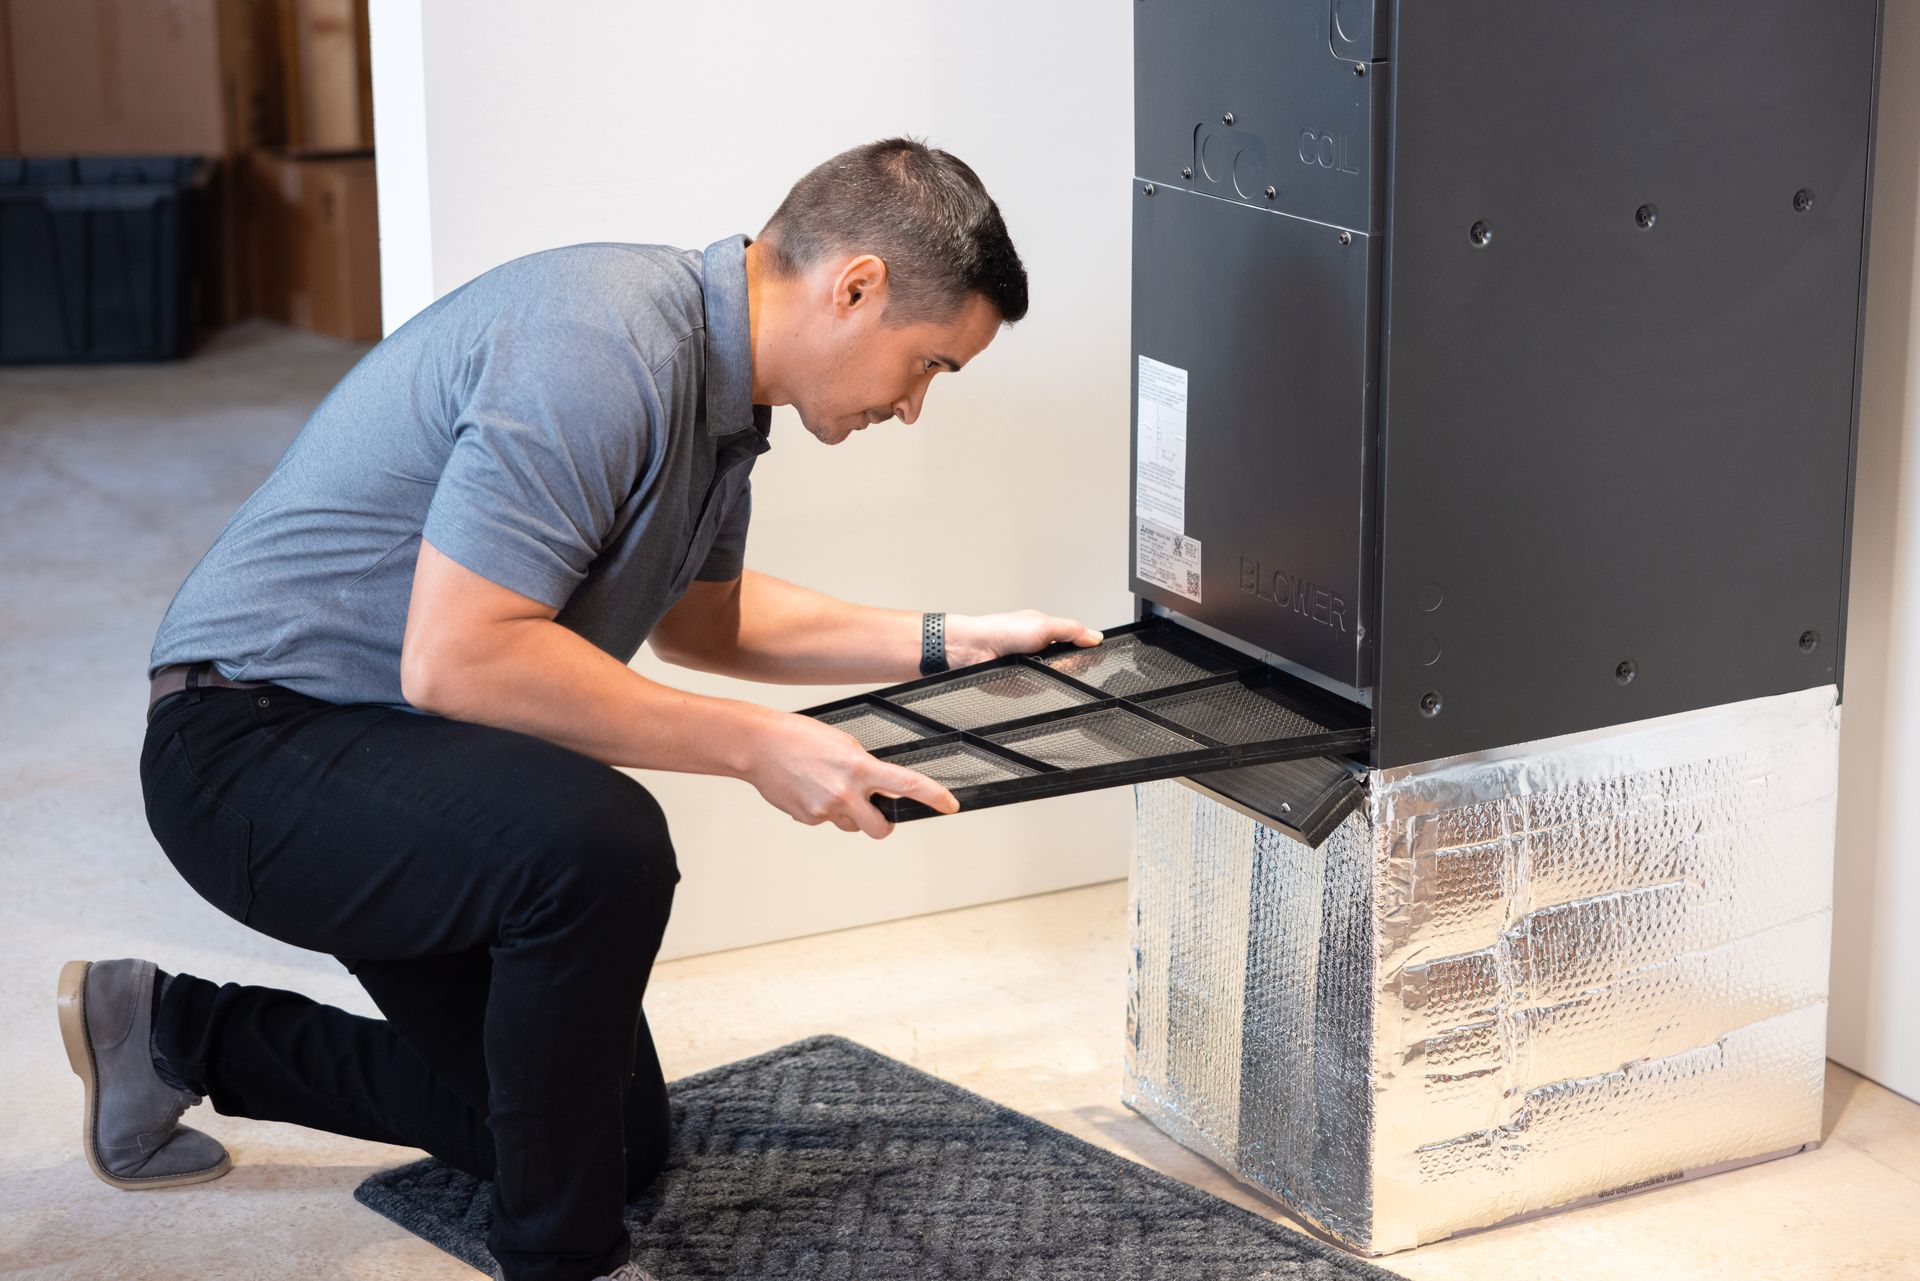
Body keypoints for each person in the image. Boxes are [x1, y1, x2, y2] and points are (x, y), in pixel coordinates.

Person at [55, 137, 1102, 1281]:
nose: (913, 407)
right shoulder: (601, 346)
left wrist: (953, 641)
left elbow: (707, 623)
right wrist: (759, 746)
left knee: (608, 1142)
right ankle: (561, 1262)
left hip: (389, 750)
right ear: (857, 288)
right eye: (930, 364)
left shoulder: (721, 403)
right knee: (600, 845)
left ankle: (170, 1033)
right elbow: (458, 660)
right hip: (250, 748)